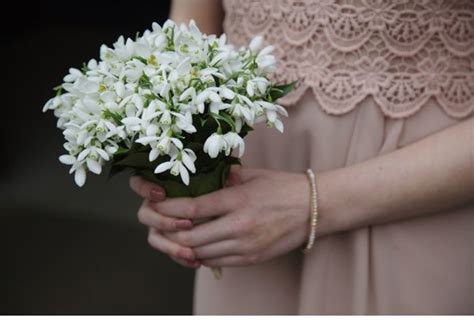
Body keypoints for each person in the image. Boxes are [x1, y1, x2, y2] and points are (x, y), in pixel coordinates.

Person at [129, 0, 474, 314]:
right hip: (245, 215)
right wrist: (173, 166)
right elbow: (190, 26)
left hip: (413, 204)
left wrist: (310, 203)